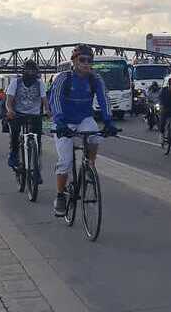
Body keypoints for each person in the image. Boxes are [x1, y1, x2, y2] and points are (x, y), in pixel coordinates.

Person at [49, 45, 117, 217]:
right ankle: (60, 196)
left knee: (94, 134)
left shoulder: (95, 79)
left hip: (84, 119)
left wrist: (108, 121)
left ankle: (90, 165)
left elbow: (104, 98)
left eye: (89, 60)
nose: (86, 64)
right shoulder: (64, 78)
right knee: (65, 162)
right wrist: (60, 123)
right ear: (74, 61)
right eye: (82, 60)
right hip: (64, 122)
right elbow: (55, 99)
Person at [6, 60, 48, 176]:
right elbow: (9, 100)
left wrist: (48, 112)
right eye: (28, 70)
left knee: (37, 142)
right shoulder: (16, 82)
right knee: (15, 133)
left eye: (33, 70)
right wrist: (10, 110)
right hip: (18, 113)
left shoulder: (40, 83)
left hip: (35, 114)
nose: (30, 72)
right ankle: (14, 155)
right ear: (23, 71)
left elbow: (44, 100)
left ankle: (37, 170)